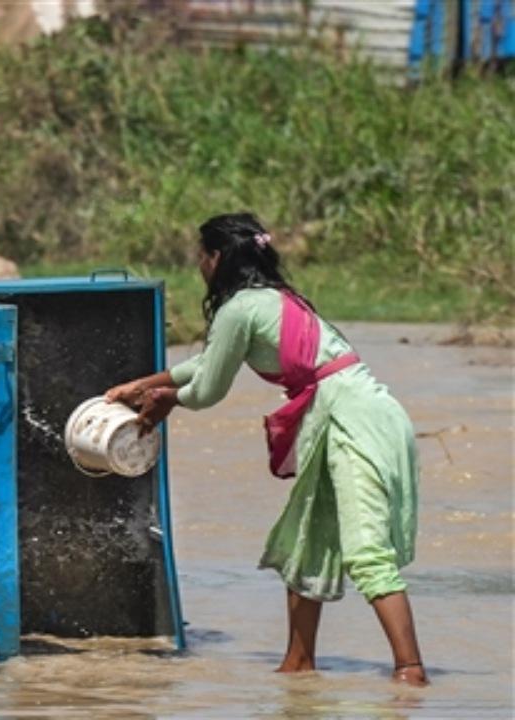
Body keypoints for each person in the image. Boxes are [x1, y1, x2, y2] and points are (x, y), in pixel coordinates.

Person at [106, 213, 427, 687]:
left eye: (201, 255)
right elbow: (209, 361)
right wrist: (148, 382)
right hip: (359, 412)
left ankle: (410, 673)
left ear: (216, 259)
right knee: (307, 543)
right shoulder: (275, 298)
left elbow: (209, 388)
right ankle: (299, 666)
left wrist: (168, 400)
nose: (198, 265)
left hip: (351, 421)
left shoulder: (239, 308)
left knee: (364, 552)